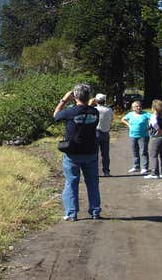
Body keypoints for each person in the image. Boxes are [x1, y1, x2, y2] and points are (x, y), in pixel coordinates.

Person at [53, 83, 101, 221]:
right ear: (89, 96)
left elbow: (55, 116)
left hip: (73, 152)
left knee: (71, 182)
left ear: (75, 96)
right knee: (92, 183)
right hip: (91, 151)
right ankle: (95, 211)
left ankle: (71, 213)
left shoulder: (70, 112)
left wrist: (63, 100)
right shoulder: (95, 112)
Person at [121, 101, 151, 174]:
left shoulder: (146, 114)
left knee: (143, 152)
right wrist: (128, 125)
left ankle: (144, 167)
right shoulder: (130, 114)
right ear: (133, 108)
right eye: (136, 106)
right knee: (135, 151)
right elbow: (122, 119)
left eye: (140, 106)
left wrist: (149, 127)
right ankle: (136, 166)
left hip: (143, 136)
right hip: (133, 136)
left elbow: (154, 120)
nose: (138, 107)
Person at [94, 93, 113, 177]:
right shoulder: (109, 110)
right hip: (105, 132)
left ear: (96, 100)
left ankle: (95, 171)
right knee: (105, 153)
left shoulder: (94, 109)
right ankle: (106, 171)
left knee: (95, 153)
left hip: (95, 132)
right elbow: (111, 119)